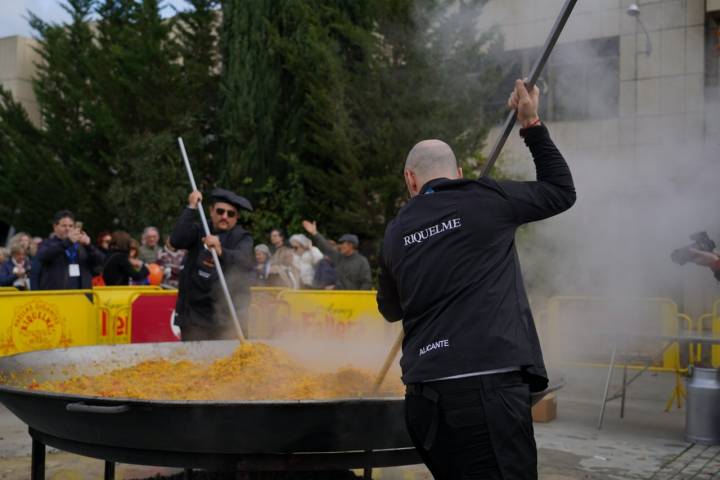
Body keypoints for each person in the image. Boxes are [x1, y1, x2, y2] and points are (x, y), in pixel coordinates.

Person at [375, 80, 576, 480]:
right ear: (460, 173)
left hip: (424, 401)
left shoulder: (397, 231)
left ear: (411, 180)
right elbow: (561, 191)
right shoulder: (487, 197)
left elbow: (389, 309)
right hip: (486, 394)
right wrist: (531, 123)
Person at [170, 188, 255, 340]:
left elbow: (245, 260)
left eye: (230, 214)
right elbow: (176, 240)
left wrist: (221, 251)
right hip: (194, 317)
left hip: (226, 318)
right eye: (220, 211)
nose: (224, 216)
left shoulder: (242, 237)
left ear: (236, 217)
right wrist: (191, 208)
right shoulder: (200, 228)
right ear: (211, 211)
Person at [36, 210, 104, 290]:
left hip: (82, 295)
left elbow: (101, 262)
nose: (67, 229)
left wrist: (89, 246)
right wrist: (67, 242)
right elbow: (44, 256)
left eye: (71, 226)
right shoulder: (46, 244)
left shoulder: (81, 246)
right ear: (55, 227)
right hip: (57, 296)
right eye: (64, 226)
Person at [300, 223, 372, 290]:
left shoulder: (362, 261)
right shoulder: (338, 257)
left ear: (351, 245)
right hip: (337, 297)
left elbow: (367, 282)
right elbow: (326, 247)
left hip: (354, 299)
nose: (340, 246)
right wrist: (315, 233)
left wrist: (359, 298)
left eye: (343, 243)